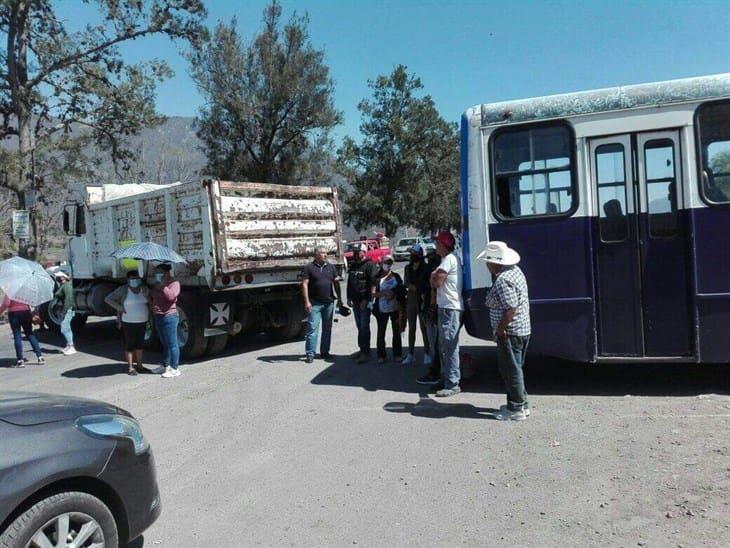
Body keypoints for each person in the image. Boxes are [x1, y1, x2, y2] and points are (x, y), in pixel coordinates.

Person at [478, 241, 531, 421]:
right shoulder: (515, 272)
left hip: (510, 332)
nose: (486, 265)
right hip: (522, 329)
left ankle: (515, 407)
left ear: (495, 262)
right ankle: (522, 403)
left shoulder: (503, 280)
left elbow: (510, 309)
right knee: (516, 368)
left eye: (487, 261)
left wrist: (500, 330)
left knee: (511, 370)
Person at [429, 231, 463, 397]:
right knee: (444, 346)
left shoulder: (449, 259)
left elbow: (437, 282)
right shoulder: (447, 259)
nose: (435, 245)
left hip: (450, 308)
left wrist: (433, 276)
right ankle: (446, 378)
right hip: (447, 307)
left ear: (443, 244)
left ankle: (452, 382)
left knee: (449, 346)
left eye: (437, 243)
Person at [301, 247, 343, 364]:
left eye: (326, 253)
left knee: (327, 328)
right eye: (323, 253)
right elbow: (304, 284)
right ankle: (310, 354)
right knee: (312, 329)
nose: (325, 255)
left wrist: (340, 299)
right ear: (316, 255)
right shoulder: (309, 267)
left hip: (329, 303)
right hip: (315, 304)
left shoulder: (331, 267)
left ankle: (325, 352)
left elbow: (336, 283)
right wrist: (307, 301)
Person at [105, 270, 151, 375]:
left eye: (136, 278)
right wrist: (120, 308)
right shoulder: (123, 290)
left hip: (142, 320)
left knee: (140, 344)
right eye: (132, 278)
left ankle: (139, 365)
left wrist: (147, 294)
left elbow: (150, 302)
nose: (134, 280)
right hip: (128, 321)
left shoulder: (144, 289)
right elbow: (108, 299)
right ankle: (130, 367)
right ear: (128, 279)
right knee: (129, 345)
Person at [346, 243, 378, 362]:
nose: (355, 254)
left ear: (363, 252)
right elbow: (350, 282)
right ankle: (362, 349)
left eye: (357, 252)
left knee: (364, 326)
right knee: (359, 326)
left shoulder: (369, 265)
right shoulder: (353, 265)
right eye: (354, 252)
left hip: (365, 301)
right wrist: (349, 297)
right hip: (355, 300)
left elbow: (373, 283)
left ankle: (366, 353)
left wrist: (368, 299)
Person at [416, 249, 442, 385]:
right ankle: (436, 370)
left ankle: (435, 372)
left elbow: (426, 291)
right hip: (434, 309)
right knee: (437, 343)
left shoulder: (431, 272)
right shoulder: (436, 270)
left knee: (435, 343)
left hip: (432, 310)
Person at [402, 244, 431, 366]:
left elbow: (427, 285)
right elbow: (406, 283)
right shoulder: (407, 268)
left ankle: (427, 353)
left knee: (424, 327)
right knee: (411, 327)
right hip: (411, 299)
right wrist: (410, 286)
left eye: (414, 253)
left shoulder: (426, 268)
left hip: (422, 298)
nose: (412, 256)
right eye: (410, 254)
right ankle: (410, 354)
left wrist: (417, 288)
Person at [151, 263, 181, 378]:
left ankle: (175, 368)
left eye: (160, 272)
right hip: (158, 315)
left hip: (170, 316)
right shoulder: (156, 284)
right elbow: (154, 297)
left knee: (172, 343)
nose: (157, 274)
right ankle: (165, 365)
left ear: (167, 272)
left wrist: (163, 286)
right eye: (156, 272)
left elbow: (171, 297)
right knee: (165, 343)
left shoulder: (174, 283)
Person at [374, 255, 405, 364]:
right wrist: (384, 293)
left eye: (390, 263)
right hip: (381, 310)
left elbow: (402, 289)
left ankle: (397, 354)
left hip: (395, 308)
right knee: (381, 332)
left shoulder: (396, 276)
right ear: (381, 263)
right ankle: (381, 355)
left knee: (396, 332)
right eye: (386, 262)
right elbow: (373, 293)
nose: (388, 265)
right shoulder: (377, 278)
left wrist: (394, 293)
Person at [0, 294, 44, 367]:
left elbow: (6, 303)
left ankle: (20, 360)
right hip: (25, 312)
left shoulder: (11, 290)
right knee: (30, 334)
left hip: (14, 313)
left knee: (17, 336)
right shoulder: (25, 290)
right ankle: (40, 357)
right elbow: (31, 302)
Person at [54, 271, 76, 355]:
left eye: (59, 276)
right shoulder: (63, 286)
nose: (57, 278)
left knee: (64, 328)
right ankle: (68, 345)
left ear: (63, 277)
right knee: (66, 328)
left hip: (67, 310)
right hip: (65, 309)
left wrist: (64, 311)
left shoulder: (66, 286)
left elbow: (68, 299)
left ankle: (71, 346)